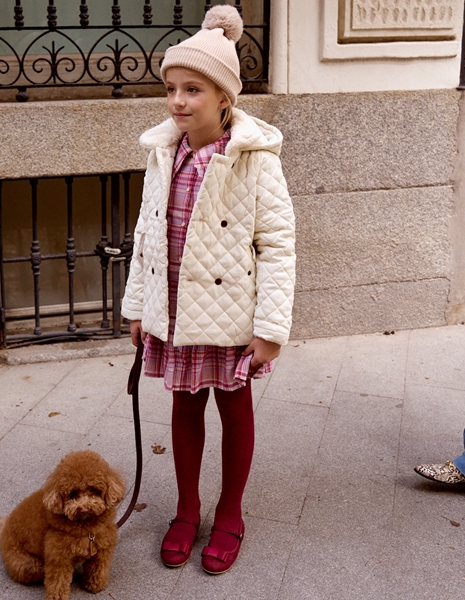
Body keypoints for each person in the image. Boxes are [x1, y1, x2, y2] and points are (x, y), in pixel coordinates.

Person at [121, 5, 295, 575]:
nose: (177, 101)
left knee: (234, 409)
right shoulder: (162, 152)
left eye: (192, 89)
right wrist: (136, 307)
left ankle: (230, 513)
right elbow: (147, 233)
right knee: (183, 406)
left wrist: (270, 329)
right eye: (171, 87)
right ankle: (187, 509)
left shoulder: (254, 160)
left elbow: (277, 246)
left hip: (229, 312)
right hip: (173, 309)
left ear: (224, 97)